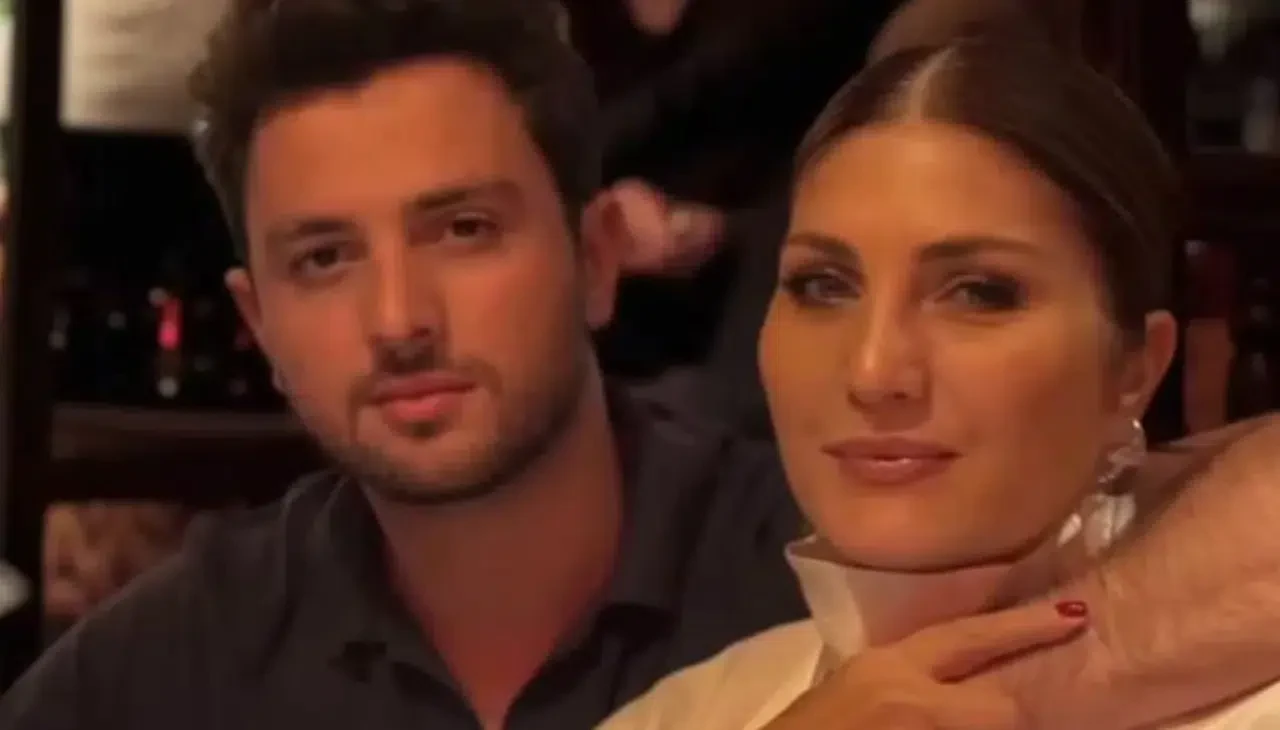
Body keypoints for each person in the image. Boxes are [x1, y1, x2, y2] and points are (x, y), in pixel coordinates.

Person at [4, 2, 1280, 729]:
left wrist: (1027, 683)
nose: (398, 318)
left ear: (598, 255)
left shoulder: (843, 525)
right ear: (256, 322)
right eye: (324, 258)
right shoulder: (164, 666)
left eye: (463, 229)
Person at [600, 35, 1280, 730]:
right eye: (823, 285)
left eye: (980, 293)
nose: (873, 372)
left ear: (1135, 369)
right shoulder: (683, 714)